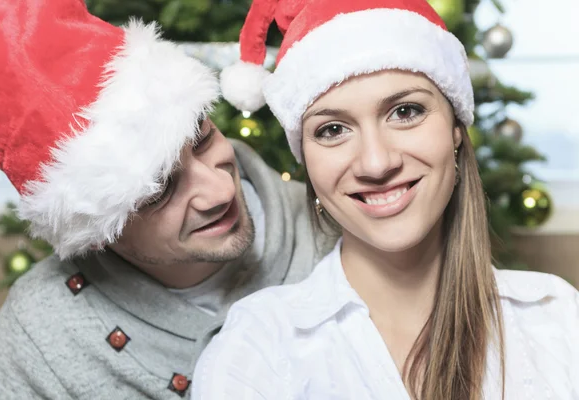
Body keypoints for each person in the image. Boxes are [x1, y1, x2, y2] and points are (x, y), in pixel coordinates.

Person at [192, 0, 579, 399]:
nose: (376, 163)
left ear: (456, 131)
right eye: (332, 129)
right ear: (306, 160)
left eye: (405, 111)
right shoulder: (256, 352)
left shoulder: (558, 319)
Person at [0, 0, 333, 398]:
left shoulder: (344, 226)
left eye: (201, 139)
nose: (220, 191)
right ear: (98, 234)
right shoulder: (37, 340)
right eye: (161, 191)